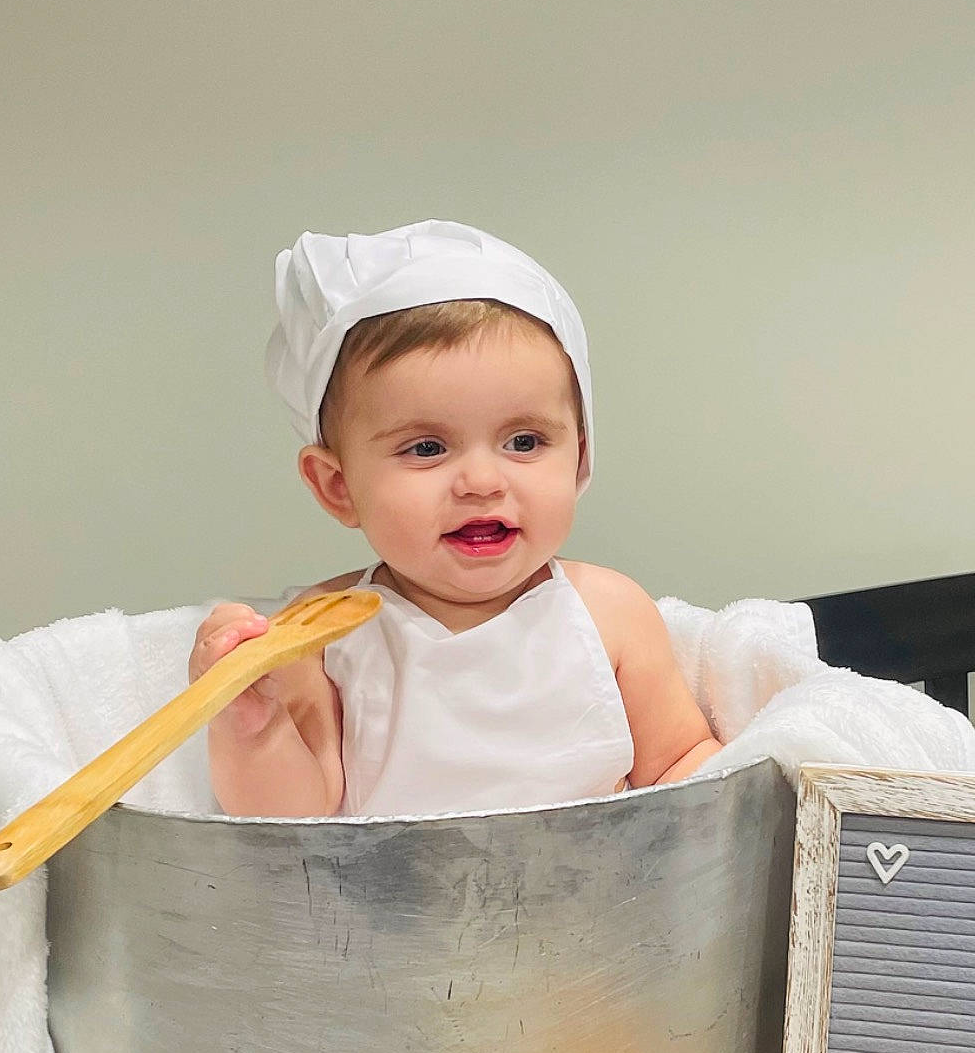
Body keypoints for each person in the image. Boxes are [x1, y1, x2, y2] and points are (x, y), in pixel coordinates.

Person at [192, 220, 722, 817]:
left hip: (587, 896)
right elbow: (293, 817)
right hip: (392, 905)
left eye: (524, 442)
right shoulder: (322, 633)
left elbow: (679, 763)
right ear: (338, 486)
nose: (482, 482)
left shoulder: (611, 613)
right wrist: (252, 725)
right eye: (426, 449)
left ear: (579, 456)